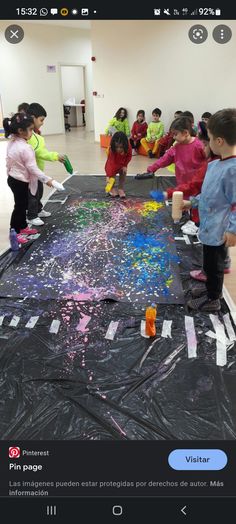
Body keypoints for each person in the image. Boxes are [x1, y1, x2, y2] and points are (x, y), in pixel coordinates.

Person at [184, 108, 236, 312]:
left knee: (215, 268)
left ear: (220, 141)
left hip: (219, 229)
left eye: (211, 138)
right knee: (208, 261)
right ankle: (209, 289)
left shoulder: (232, 170)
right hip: (208, 225)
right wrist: (193, 202)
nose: (209, 143)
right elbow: (209, 194)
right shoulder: (215, 165)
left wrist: (233, 229)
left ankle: (213, 298)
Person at [3, 113, 54, 245]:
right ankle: (14, 232)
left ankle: (23, 227)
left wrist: (9, 173)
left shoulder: (13, 142)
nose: (33, 132)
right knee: (20, 207)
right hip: (19, 181)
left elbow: (8, 161)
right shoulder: (25, 148)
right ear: (21, 131)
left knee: (23, 204)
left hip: (14, 178)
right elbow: (33, 168)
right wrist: (47, 179)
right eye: (30, 129)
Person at [26, 103, 65, 226]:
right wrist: (55, 156)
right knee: (33, 194)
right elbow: (39, 152)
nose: (43, 122)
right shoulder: (29, 136)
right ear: (32, 117)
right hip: (31, 173)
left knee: (39, 192)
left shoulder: (36, 134)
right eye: (41, 120)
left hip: (38, 171)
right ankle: (31, 216)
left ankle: (38, 209)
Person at [147, 116, 207, 185]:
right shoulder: (176, 148)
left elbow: (209, 161)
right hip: (182, 186)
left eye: (175, 134)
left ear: (185, 133)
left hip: (199, 186)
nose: (173, 137)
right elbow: (163, 159)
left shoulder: (199, 145)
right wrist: (151, 169)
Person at [105, 131, 132, 198]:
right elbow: (110, 164)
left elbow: (129, 156)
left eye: (121, 147)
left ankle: (120, 189)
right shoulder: (112, 150)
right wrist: (108, 175)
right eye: (117, 147)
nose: (119, 149)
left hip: (122, 164)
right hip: (112, 165)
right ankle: (111, 188)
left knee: (123, 174)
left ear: (125, 145)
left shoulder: (128, 147)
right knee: (112, 177)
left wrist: (125, 165)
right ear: (114, 145)